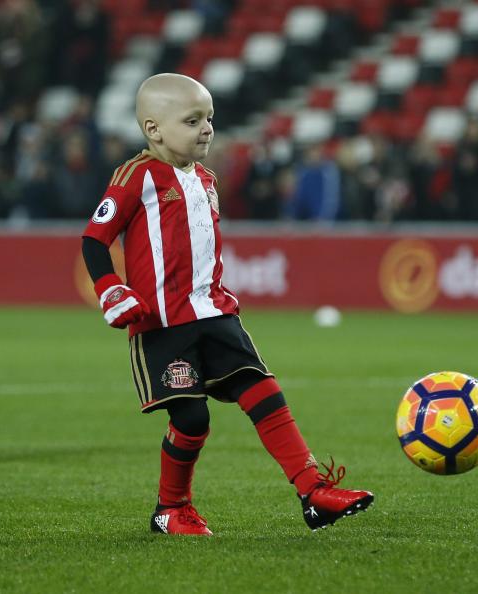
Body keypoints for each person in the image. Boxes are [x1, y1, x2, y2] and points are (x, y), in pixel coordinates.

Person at [80, 73, 373, 536]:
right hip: (162, 323)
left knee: (263, 390)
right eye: (193, 120)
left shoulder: (207, 178)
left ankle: (313, 492)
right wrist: (111, 289)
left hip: (216, 313)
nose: (206, 129)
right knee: (192, 417)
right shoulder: (136, 176)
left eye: (210, 119)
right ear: (154, 129)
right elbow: (95, 240)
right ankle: (170, 509)